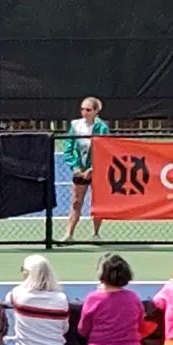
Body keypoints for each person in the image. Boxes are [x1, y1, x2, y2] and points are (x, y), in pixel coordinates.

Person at [61, 96, 109, 242]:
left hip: (96, 170)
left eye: (88, 109)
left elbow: (106, 150)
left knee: (97, 202)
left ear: (96, 111)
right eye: (82, 109)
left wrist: (94, 168)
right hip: (80, 169)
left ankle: (96, 234)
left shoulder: (102, 128)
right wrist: (75, 167)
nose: (84, 112)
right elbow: (68, 147)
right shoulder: (75, 125)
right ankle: (69, 234)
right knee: (76, 201)